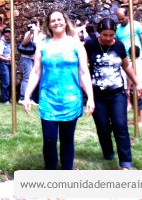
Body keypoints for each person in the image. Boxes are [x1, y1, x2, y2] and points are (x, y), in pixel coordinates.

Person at [22, 10, 94, 170]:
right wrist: (26, 96)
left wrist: (90, 97)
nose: (57, 23)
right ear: (48, 25)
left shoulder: (76, 44)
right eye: (53, 20)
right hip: (48, 100)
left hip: (71, 100)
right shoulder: (43, 45)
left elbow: (84, 72)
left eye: (59, 19)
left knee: (67, 140)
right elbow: (35, 72)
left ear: (65, 21)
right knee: (49, 140)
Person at [84, 19, 142, 169]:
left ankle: (125, 163)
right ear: (99, 32)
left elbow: (126, 66)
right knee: (103, 127)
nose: (108, 38)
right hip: (97, 95)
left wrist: (137, 82)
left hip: (117, 93)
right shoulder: (90, 45)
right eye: (105, 35)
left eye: (111, 35)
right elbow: (83, 68)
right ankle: (108, 152)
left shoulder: (119, 46)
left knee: (120, 126)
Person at [115, 8, 142, 106]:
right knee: (125, 80)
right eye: (119, 19)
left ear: (127, 16)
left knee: (140, 77)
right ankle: (128, 101)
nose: (121, 21)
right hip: (124, 58)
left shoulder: (136, 25)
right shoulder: (117, 29)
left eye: (122, 18)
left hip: (136, 56)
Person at [18, 18, 44, 103]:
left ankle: (30, 98)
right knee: (27, 77)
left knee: (33, 78)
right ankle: (22, 98)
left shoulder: (41, 35)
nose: (38, 26)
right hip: (27, 58)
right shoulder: (29, 33)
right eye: (37, 24)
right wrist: (31, 32)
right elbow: (24, 43)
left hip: (34, 59)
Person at [0, 27, 12, 104]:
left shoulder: (11, 42)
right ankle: (5, 100)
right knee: (6, 82)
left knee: (11, 81)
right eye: (6, 36)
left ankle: (9, 98)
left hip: (10, 63)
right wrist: (7, 59)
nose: (7, 37)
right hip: (3, 63)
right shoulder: (2, 42)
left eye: (8, 36)